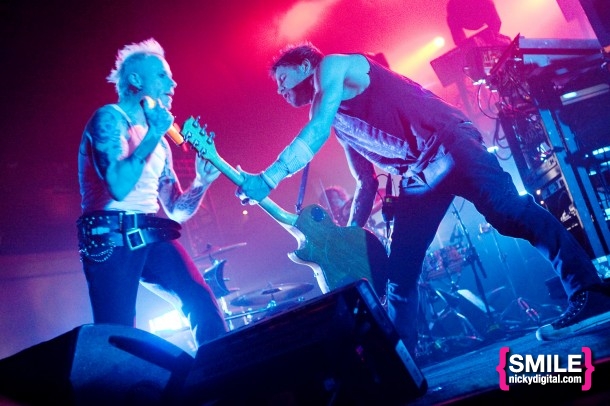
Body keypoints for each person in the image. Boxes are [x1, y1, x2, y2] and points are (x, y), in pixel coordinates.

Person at [235, 42, 610, 356]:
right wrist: (349, 238)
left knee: (510, 213)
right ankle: (401, 357)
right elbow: (365, 182)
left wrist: (269, 177)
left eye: (283, 81)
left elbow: (313, 130)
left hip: (450, 144)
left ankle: (590, 294)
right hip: (418, 176)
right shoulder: (334, 119)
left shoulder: (333, 66)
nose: (281, 92)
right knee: (400, 274)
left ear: (304, 65)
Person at [77, 38, 227, 348]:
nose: (173, 82)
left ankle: (218, 378)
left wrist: (201, 182)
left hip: (148, 232)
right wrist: (156, 132)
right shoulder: (109, 118)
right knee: (119, 335)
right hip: (109, 237)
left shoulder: (159, 144)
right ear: (135, 79)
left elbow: (175, 210)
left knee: (202, 302)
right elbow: (118, 186)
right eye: (162, 75)